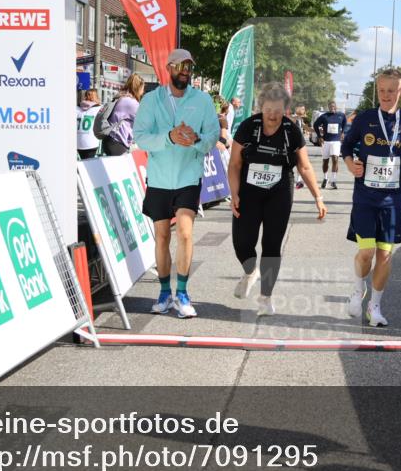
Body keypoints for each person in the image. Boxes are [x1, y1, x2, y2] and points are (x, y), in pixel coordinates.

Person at [133, 48, 219, 318]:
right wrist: (169, 136)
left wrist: (196, 140)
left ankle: (182, 293)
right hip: (159, 179)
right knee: (162, 236)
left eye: (189, 66)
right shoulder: (151, 100)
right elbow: (141, 138)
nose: (185, 70)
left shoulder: (202, 100)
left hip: (187, 177)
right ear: (169, 68)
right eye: (180, 65)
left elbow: (213, 135)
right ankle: (163, 293)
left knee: (184, 233)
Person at [342, 68, 401, 327]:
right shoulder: (365, 119)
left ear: (400, 92)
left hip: (392, 202)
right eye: (381, 90)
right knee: (366, 252)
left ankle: (375, 307)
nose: (385, 95)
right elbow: (347, 147)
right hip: (365, 198)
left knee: (385, 256)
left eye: (391, 91)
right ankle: (358, 289)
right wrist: (350, 164)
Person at [229, 83, 327, 316]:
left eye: (278, 109)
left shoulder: (290, 131)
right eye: (268, 109)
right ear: (261, 107)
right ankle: (250, 270)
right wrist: (234, 193)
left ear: (285, 109)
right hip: (248, 192)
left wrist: (318, 198)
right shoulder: (247, 126)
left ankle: (265, 297)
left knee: (272, 245)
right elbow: (234, 164)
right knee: (242, 242)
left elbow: (304, 166)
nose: (272, 114)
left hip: (279, 192)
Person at [98, 73, 144, 156]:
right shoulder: (132, 103)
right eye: (142, 89)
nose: (142, 92)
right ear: (139, 88)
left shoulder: (121, 97)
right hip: (117, 142)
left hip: (110, 139)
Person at [313, 101, 347, 190]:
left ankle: (333, 180)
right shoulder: (324, 116)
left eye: (333, 106)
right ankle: (325, 178)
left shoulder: (341, 115)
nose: (332, 107)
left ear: (336, 107)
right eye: (330, 106)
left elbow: (344, 122)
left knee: (335, 159)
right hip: (326, 141)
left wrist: (342, 132)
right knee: (325, 161)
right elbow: (315, 125)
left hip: (336, 141)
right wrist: (319, 136)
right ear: (328, 107)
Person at [76, 89, 102, 159]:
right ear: (96, 97)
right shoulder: (98, 109)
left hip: (78, 142)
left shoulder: (77, 108)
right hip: (91, 142)